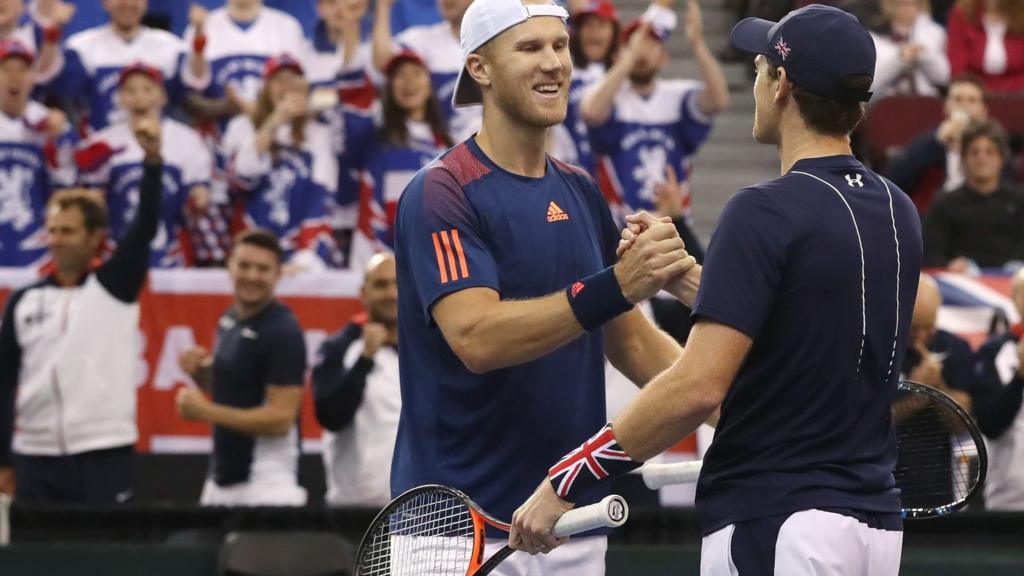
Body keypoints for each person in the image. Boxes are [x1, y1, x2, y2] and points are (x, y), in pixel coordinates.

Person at [511, 6, 923, 575]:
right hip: (874, 527)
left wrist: (570, 475)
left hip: (780, 520)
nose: (754, 83)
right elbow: (806, 325)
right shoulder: (898, 208)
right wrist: (696, 284)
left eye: (758, 68)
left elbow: (697, 386)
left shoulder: (762, 210)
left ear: (780, 85)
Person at [392, 0, 696, 571]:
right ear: (478, 69)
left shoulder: (580, 191)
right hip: (457, 535)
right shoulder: (440, 192)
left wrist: (738, 411)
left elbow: (631, 343)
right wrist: (617, 286)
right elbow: (478, 339)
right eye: (530, 48)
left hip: (568, 528)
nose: (554, 62)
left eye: (560, 46)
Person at [0, 117, 163, 502]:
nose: (57, 241)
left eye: (68, 231)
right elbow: (3, 381)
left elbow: (144, 229)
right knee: (37, 561)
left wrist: (153, 161)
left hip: (103, 451)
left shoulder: (114, 288)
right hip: (36, 455)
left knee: (104, 557)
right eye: (53, 230)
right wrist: (3, 459)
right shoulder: (24, 300)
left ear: (95, 238)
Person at [581, 0, 729, 258]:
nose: (642, 50)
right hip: (621, 233)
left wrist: (697, 45)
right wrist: (626, 63)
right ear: (620, 54)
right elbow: (590, 112)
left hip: (673, 229)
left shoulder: (677, 95)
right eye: (635, 43)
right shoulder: (611, 97)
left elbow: (718, 100)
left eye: (651, 43)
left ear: (663, 56)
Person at [176, 229, 308, 507]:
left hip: (267, 484)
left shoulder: (284, 331)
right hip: (220, 479)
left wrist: (205, 412)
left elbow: (280, 419)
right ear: (230, 266)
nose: (252, 276)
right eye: (244, 266)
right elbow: (233, 386)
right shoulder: (229, 318)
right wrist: (199, 372)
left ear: (278, 274)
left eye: (263, 269)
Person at [75, 63, 213, 268]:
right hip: (115, 252)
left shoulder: (187, 140)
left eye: (147, 89)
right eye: (130, 90)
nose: (139, 96)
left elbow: (200, 199)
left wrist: (196, 199)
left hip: (170, 253)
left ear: (162, 96)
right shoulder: (102, 143)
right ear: (120, 98)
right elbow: (90, 203)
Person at [221, 55, 338, 270]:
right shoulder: (241, 127)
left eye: (294, 81)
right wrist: (275, 121)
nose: (286, 87)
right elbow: (240, 181)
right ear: (265, 87)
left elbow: (321, 198)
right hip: (249, 250)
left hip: (299, 257)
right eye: (279, 80)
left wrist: (306, 258)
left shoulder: (319, 134)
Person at [339, 49, 453, 269]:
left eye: (416, 73)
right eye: (400, 75)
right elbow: (354, 110)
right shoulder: (373, 136)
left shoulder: (447, 144)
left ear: (430, 84)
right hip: (378, 253)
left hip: (433, 259)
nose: (408, 81)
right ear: (389, 88)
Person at [313, 253, 399, 507]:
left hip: (415, 509)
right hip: (355, 508)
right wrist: (365, 359)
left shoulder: (426, 349)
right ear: (363, 293)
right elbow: (331, 416)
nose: (391, 294)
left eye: (397, 284)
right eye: (381, 285)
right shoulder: (339, 347)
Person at [54, 0, 193, 133]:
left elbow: (189, 99)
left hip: (160, 146)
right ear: (105, 2)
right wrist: (54, 30)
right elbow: (67, 101)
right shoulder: (80, 47)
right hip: (102, 147)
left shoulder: (173, 47)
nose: (128, 3)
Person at [884, 74, 1015, 210]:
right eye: (958, 99)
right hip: (936, 217)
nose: (964, 105)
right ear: (946, 106)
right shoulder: (931, 141)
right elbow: (895, 174)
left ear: (984, 111)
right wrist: (936, 139)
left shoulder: (992, 144)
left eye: (972, 100)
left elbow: (1009, 180)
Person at [0, 38, 76, 267]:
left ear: (34, 76)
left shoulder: (51, 124)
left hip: (37, 249)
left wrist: (58, 142)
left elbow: (67, 186)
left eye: (23, 69)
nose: (15, 77)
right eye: (6, 69)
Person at [183, 0, 307, 126]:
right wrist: (199, 35)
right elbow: (194, 84)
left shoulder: (287, 27)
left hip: (276, 135)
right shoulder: (202, 25)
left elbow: (300, 89)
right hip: (215, 136)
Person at [922, 119, 1024, 272]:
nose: (982, 158)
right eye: (974, 152)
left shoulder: (1019, 201)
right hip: (962, 286)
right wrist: (950, 266)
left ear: (1001, 159)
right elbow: (931, 255)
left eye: (990, 152)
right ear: (963, 159)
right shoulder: (944, 203)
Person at [372, 0, 481, 141]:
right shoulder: (425, 40)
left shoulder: (500, 40)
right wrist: (383, 6)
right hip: (453, 153)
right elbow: (383, 61)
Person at [972, 267, 1024, 509]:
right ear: (1014, 299)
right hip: (1009, 501)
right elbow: (990, 424)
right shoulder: (993, 352)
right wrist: (1020, 377)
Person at [870, 0, 949, 98]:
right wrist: (899, 59)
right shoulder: (875, 36)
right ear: (890, 5)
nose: (906, 8)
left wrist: (923, 55)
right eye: (901, 3)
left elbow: (944, 77)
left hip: (926, 99)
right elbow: (872, 83)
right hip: (887, 101)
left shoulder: (935, 33)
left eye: (912, 4)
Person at [947, 0, 1024, 94]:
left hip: (1019, 90)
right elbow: (957, 63)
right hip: (973, 90)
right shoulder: (963, 13)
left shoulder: (1021, 14)